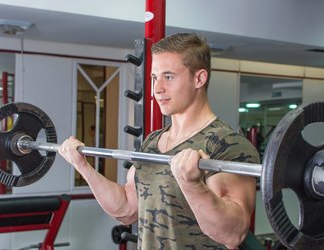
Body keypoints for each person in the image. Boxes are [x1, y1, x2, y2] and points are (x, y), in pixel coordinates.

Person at [59, 33, 260, 249]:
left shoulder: (226, 144)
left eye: (169, 76)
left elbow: (232, 234)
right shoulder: (153, 141)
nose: (157, 88)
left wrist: (191, 184)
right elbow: (127, 209)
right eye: (155, 77)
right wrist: (83, 166)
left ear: (199, 78)